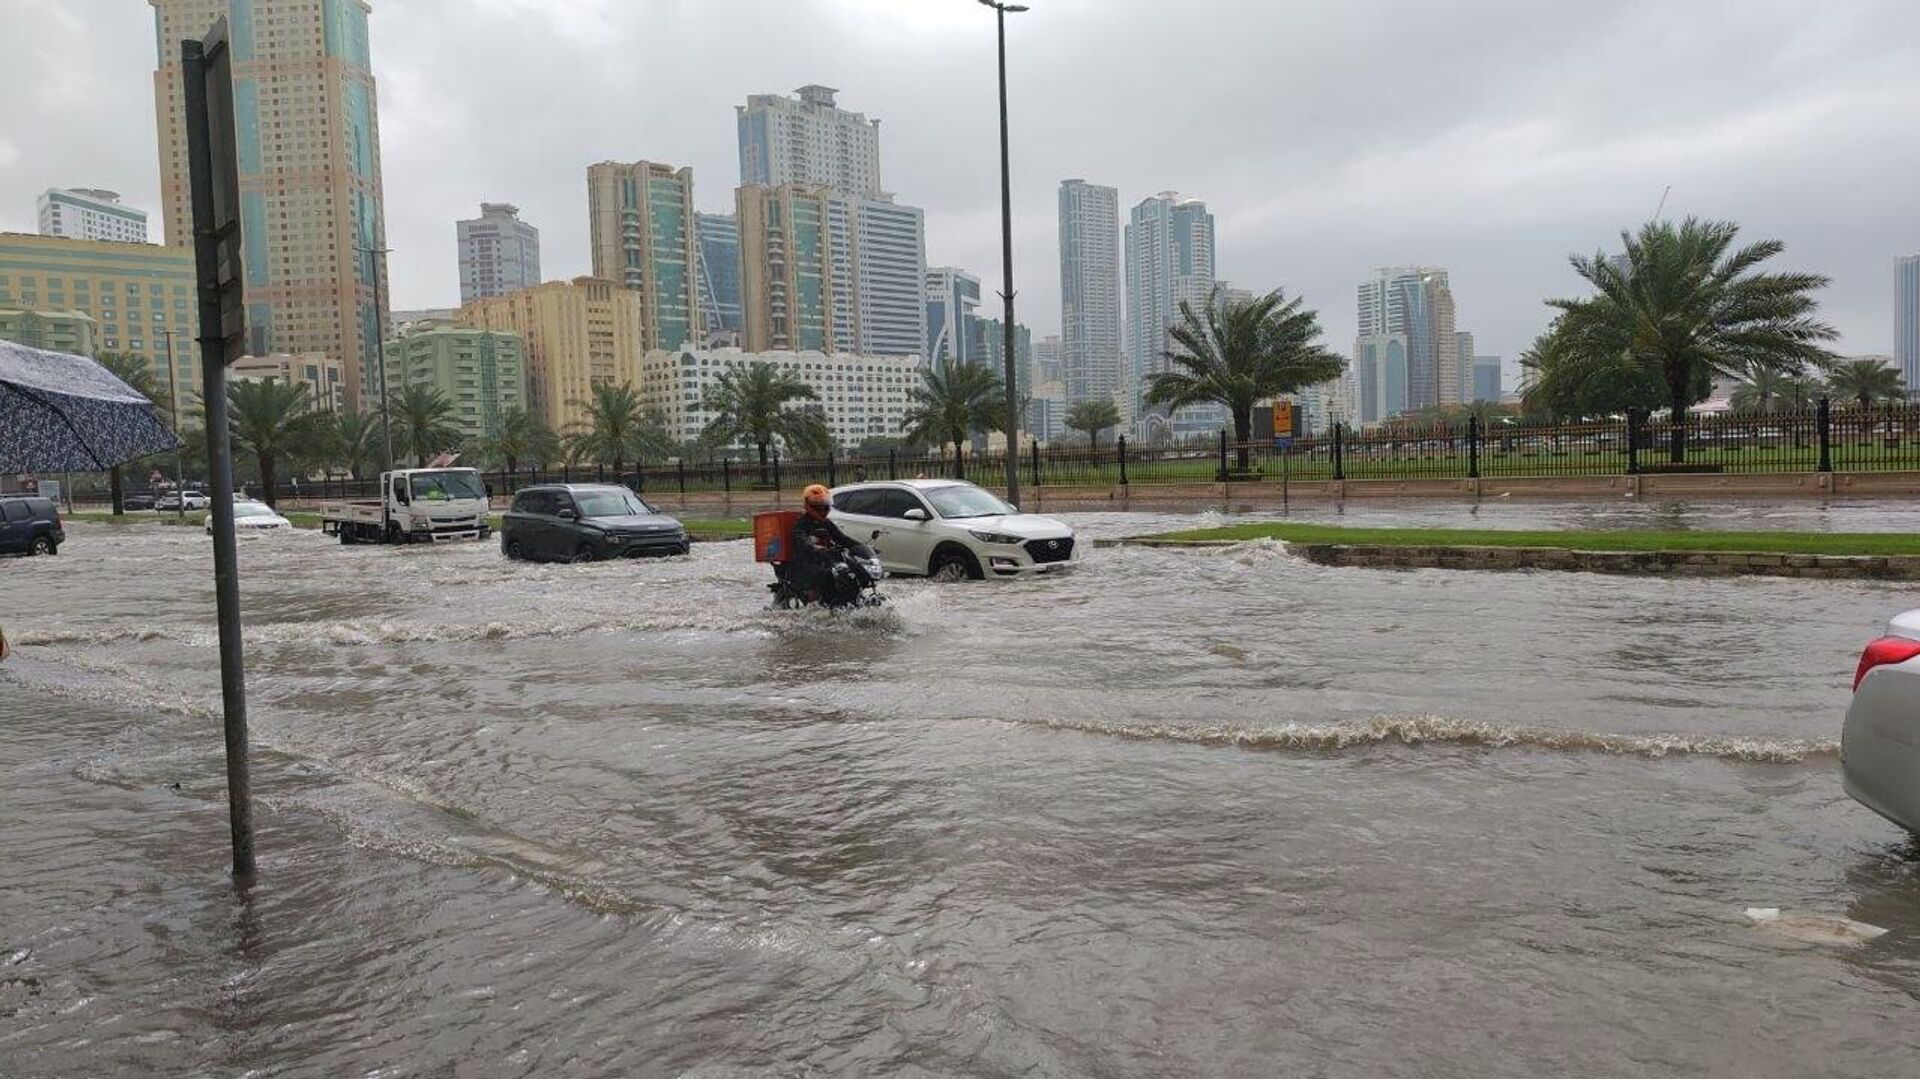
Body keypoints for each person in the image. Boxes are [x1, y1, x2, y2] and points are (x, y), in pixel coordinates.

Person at [787, 484, 861, 604]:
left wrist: (860, 547)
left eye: (824, 505)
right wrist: (813, 547)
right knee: (826, 575)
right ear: (809, 505)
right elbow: (801, 539)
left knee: (852, 573)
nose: (822, 509)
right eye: (818, 506)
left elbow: (842, 538)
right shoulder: (801, 523)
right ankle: (814, 605)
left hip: (826, 559)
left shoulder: (826, 523)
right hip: (806, 563)